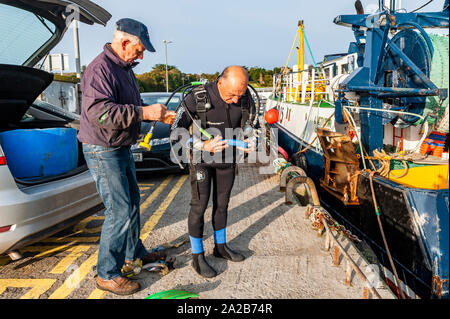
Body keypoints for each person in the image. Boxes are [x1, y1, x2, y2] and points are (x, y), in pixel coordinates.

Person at [77, 18, 176, 295]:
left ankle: (135, 254)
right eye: (140, 49)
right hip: (103, 149)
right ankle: (107, 273)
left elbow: (128, 105)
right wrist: (144, 113)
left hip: (119, 147)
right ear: (123, 43)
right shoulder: (100, 69)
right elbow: (100, 113)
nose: (142, 56)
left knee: (132, 202)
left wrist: (156, 113)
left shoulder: (124, 68)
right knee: (118, 210)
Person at [176, 65, 256, 278]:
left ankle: (220, 247)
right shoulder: (198, 97)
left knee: (222, 205)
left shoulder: (245, 96)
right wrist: (202, 146)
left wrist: (250, 139)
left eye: (240, 95)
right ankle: (197, 255)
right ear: (220, 82)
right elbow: (176, 131)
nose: (236, 100)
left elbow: (249, 125)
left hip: (227, 161)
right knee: (199, 206)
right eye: (232, 95)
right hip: (202, 160)